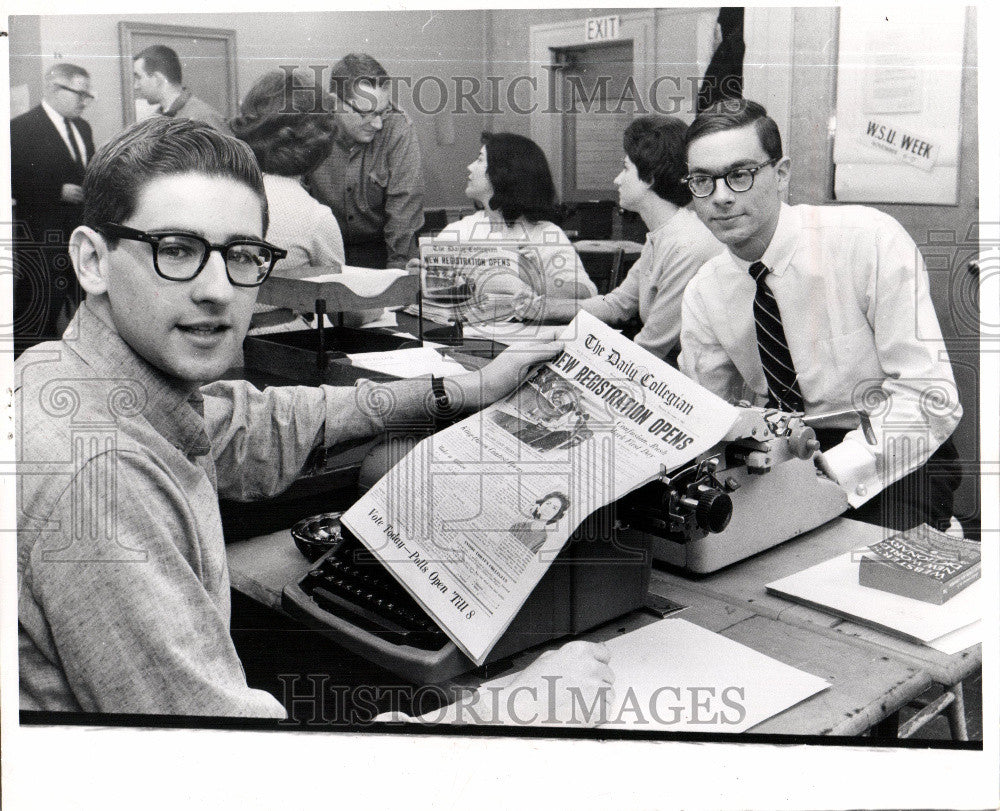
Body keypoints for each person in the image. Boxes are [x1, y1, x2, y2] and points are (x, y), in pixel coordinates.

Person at [15, 116, 613, 719]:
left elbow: (253, 424)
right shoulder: (100, 476)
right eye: (177, 250)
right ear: (92, 260)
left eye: (243, 256)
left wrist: (466, 389)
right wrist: (512, 709)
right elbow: (229, 778)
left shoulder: (62, 371)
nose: (218, 290)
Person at [678, 99, 962, 531]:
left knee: (856, 580)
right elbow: (710, 414)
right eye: (702, 180)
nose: (720, 197)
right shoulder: (705, 290)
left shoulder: (868, 240)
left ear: (782, 175)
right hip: (785, 456)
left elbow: (930, 401)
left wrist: (828, 469)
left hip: (894, 450)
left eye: (740, 175)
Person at [516, 116, 722, 363]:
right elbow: (616, 305)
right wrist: (541, 307)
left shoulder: (687, 245)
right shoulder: (664, 236)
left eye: (625, 168)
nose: (617, 179)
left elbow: (651, 347)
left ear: (650, 177)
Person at [229, 69, 346, 332]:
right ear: (320, 145)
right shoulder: (315, 217)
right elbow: (346, 312)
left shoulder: (224, 196)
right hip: (283, 343)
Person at [434, 132, 597, 303]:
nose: (470, 166)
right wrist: (419, 273)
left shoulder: (545, 234)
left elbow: (586, 293)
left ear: (504, 172)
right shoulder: (462, 228)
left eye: (480, 160)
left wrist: (531, 276)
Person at [307, 53, 425, 269]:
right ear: (334, 102)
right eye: (367, 114)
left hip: (381, 256)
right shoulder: (309, 128)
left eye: (383, 112)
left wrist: (396, 280)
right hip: (320, 255)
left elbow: (404, 209)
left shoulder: (398, 128)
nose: (378, 124)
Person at [11, 63, 95, 355]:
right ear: (55, 88)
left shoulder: (83, 128)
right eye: (79, 93)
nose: (85, 101)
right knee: (37, 313)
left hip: (80, 238)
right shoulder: (19, 128)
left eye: (88, 95)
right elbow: (9, 181)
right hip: (41, 242)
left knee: (86, 312)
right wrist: (55, 191)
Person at [132, 44, 229, 131]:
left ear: (158, 79)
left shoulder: (204, 117)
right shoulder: (156, 119)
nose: (135, 86)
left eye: (138, 77)